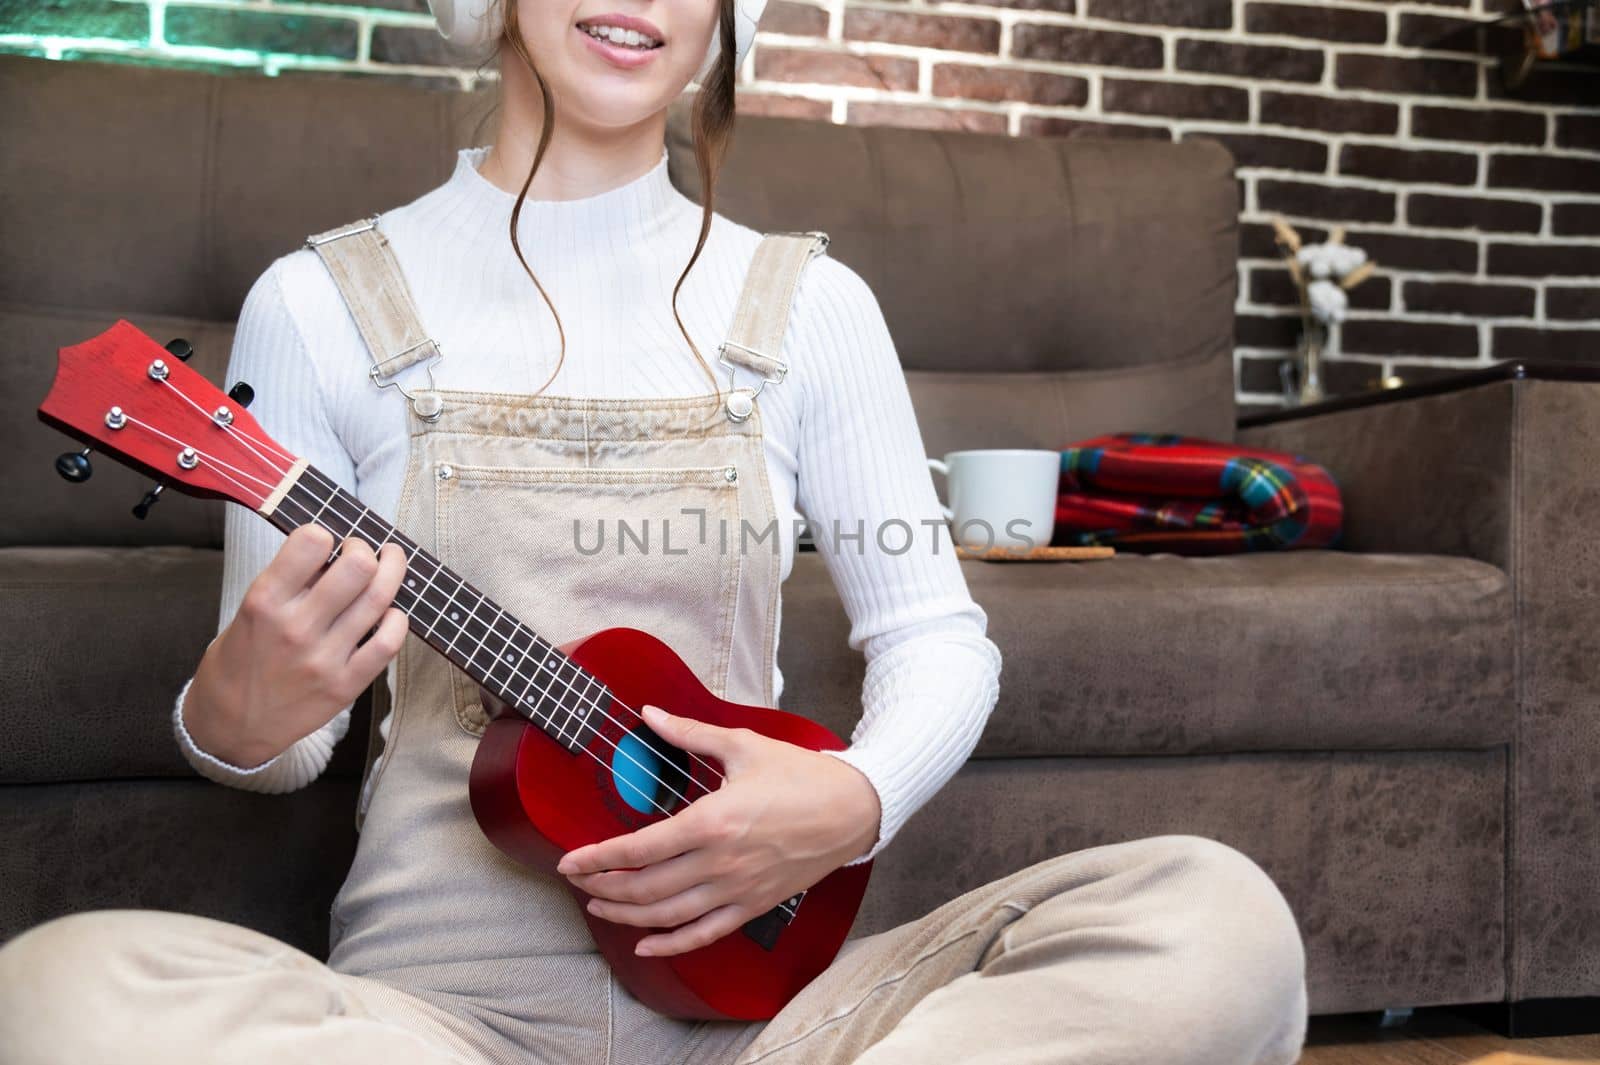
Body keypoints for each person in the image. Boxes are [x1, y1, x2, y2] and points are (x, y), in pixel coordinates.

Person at [0, 0, 1309, 1062]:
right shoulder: (320, 304)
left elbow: (941, 642)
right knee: (56, 991)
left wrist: (850, 801)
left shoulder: (812, 307)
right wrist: (234, 707)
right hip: (437, 1020)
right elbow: (287, 753)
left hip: (766, 1020)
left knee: (1219, 918)